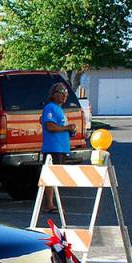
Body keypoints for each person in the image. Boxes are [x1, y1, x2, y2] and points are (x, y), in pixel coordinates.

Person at [41, 82, 76, 213]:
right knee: (51, 176)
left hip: (61, 148)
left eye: (65, 93)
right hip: (53, 148)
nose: (63, 96)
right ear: (53, 94)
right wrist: (67, 127)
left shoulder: (59, 110)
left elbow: (60, 127)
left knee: (56, 176)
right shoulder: (50, 108)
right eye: (60, 93)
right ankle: (49, 205)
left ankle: (52, 203)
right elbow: (50, 126)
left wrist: (69, 130)